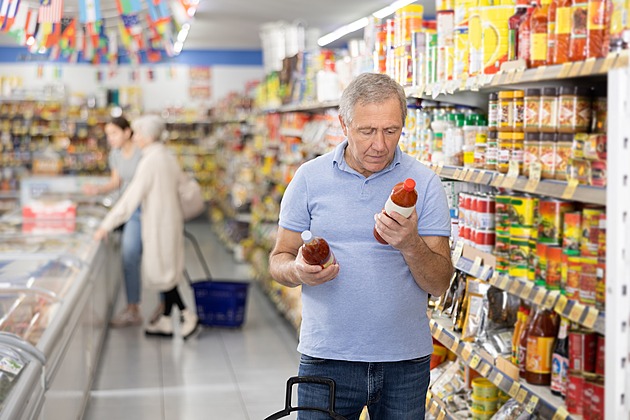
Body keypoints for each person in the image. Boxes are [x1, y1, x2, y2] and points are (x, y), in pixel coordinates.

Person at [268, 73, 454, 419]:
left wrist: (410, 243)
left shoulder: (425, 183)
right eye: (367, 131)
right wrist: (297, 270)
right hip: (327, 358)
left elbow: (440, 283)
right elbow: (278, 259)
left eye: (391, 130)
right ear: (344, 124)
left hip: (404, 362)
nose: (380, 145)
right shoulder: (309, 179)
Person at [93, 115, 198, 339]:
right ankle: (167, 320)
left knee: (164, 272)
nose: (136, 137)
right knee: (167, 270)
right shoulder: (165, 156)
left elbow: (130, 198)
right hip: (169, 220)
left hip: (159, 223)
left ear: (149, 136)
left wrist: (106, 225)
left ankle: (188, 316)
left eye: (139, 133)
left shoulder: (150, 161)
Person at [84, 116, 144, 327]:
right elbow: (116, 182)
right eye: (108, 134)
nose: (110, 138)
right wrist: (97, 189)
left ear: (127, 132)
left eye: (114, 133)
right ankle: (132, 308)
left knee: (155, 257)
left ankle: (166, 307)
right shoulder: (115, 154)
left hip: (146, 208)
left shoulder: (142, 151)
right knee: (129, 256)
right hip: (129, 211)